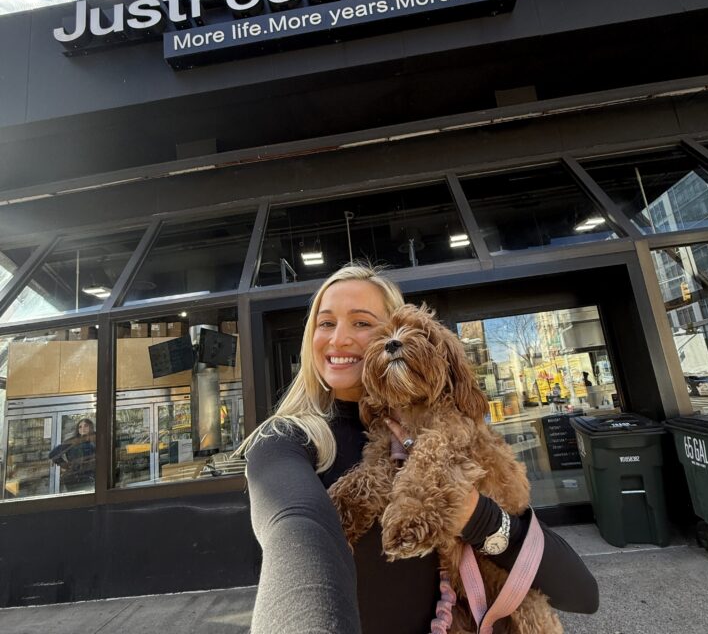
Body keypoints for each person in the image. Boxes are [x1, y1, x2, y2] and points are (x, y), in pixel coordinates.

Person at [244, 264, 598, 634]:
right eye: (326, 323)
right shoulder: (282, 441)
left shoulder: (453, 431)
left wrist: (479, 517)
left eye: (362, 323)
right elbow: (295, 533)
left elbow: (581, 594)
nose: (339, 339)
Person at [49, 417, 96, 492]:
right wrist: (65, 465)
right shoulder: (73, 441)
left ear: (91, 427)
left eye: (86, 426)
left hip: (93, 477)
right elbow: (53, 454)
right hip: (75, 477)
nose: (83, 428)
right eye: (80, 427)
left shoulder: (96, 439)